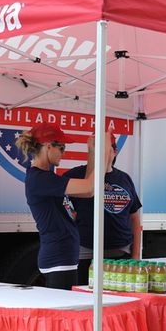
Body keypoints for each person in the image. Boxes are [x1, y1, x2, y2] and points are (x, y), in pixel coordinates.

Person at [15, 123, 111, 290]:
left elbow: (88, 191)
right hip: (58, 260)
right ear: (48, 146)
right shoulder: (40, 179)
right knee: (64, 314)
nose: (63, 153)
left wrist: (92, 152)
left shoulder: (46, 178)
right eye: (61, 148)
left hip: (62, 258)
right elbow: (90, 186)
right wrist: (105, 151)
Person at [64, 133, 142, 285]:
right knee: (85, 298)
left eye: (106, 149)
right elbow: (59, 203)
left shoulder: (125, 179)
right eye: (98, 149)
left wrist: (136, 254)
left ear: (115, 152)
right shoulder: (77, 175)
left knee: (118, 299)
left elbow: (135, 218)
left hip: (121, 254)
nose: (103, 154)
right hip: (86, 253)